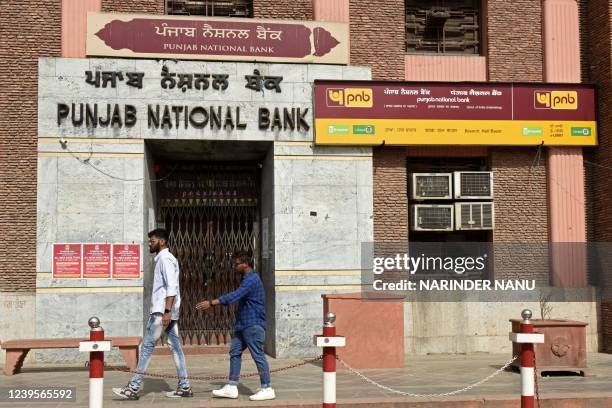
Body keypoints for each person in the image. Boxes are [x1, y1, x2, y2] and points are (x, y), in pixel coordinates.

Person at [113, 228, 192, 400]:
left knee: (147, 348)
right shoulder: (165, 259)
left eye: (152, 240)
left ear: (162, 241)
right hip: (166, 313)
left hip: (161, 313)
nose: (150, 243)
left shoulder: (165, 259)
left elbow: (172, 287)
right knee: (175, 348)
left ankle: (133, 388)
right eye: (149, 240)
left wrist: (166, 311)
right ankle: (184, 386)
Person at [196, 251, 275, 401]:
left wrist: (212, 302)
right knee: (235, 352)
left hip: (253, 324)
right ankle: (232, 386)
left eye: (236, 263)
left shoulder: (251, 279)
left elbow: (235, 295)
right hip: (243, 324)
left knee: (258, 355)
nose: (234, 266)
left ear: (245, 264)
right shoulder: (247, 278)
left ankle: (267, 387)